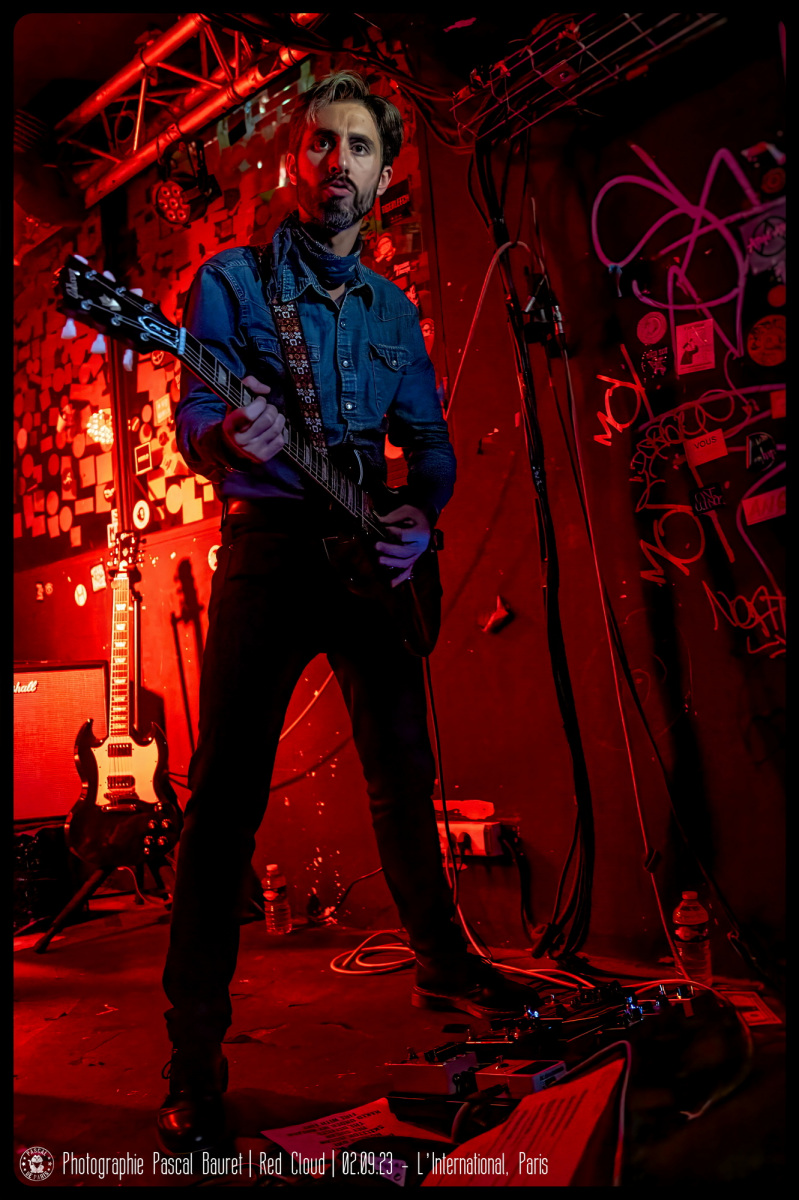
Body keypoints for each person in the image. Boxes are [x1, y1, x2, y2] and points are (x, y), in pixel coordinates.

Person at [158, 70, 537, 1154]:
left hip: (374, 558)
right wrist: (229, 438)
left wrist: (418, 515)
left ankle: (443, 964)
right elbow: (198, 413)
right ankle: (194, 1056)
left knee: (403, 777)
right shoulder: (230, 283)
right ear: (295, 161)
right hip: (271, 550)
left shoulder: (391, 312)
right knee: (224, 799)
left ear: (382, 172)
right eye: (321, 142)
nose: (338, 163)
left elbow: (433, 447)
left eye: (358, 147)